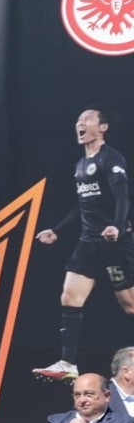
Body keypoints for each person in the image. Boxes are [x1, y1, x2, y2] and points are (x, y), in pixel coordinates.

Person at [34, 108, 134, 382]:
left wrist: (116, 224)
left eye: (87, 119)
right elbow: (82, 205)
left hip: (113, 244)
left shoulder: (111, 158)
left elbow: (123, 196)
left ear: (102, 127)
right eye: (78, 119)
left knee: (130, 306)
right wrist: (57, 230)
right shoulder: (80, 164)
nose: (80, 122)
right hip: (87, 244)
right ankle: (68, 363)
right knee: (69, 297)